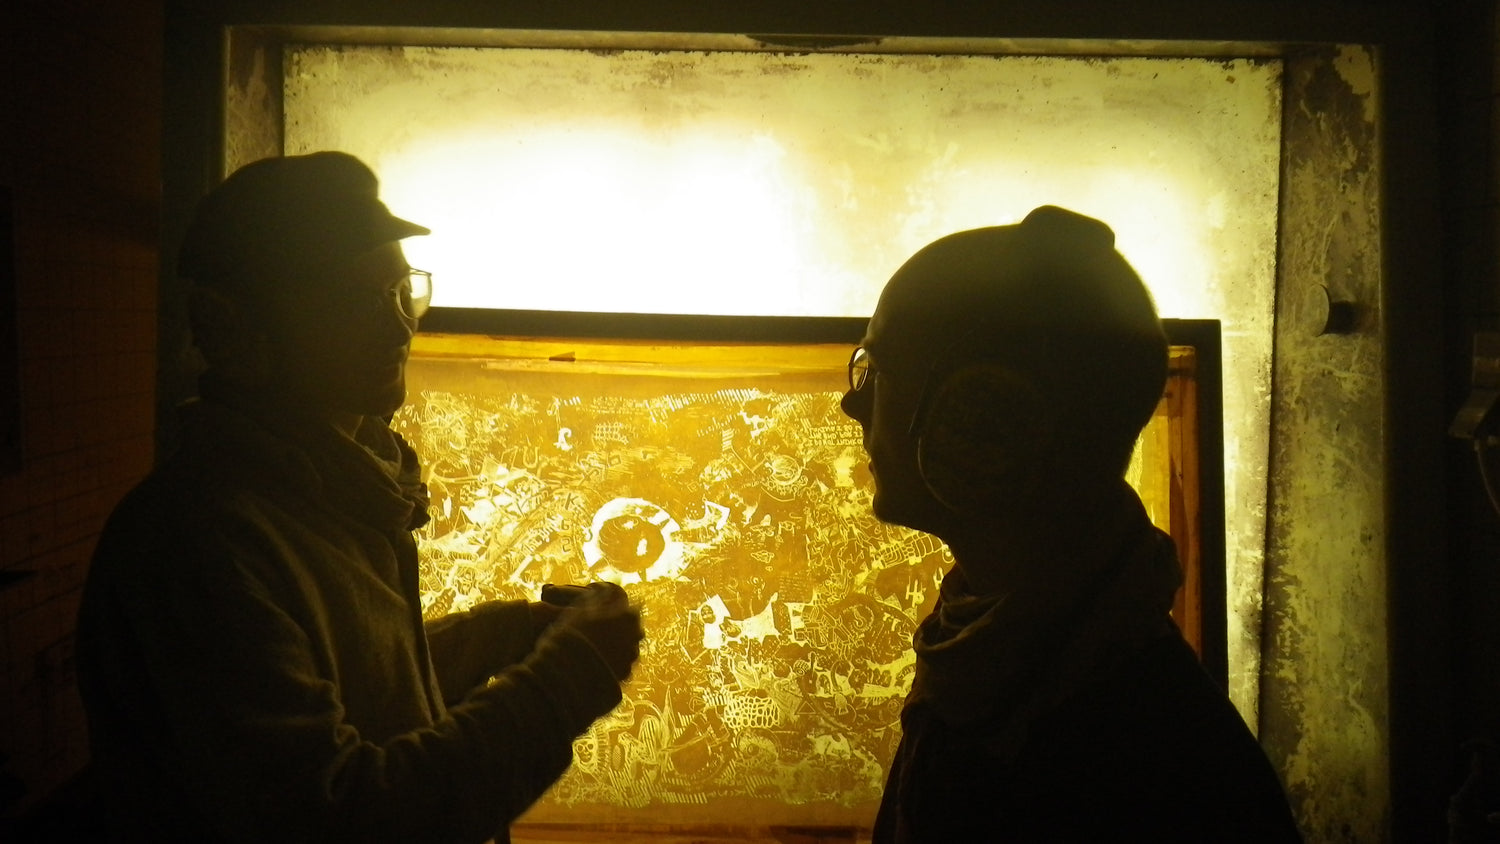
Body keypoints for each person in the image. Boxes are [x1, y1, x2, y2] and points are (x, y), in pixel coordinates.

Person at [75, 151, 643, 843]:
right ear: (235, 329)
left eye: (401, 291)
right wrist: (570, 678)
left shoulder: (332, 494)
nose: (398, 328)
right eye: (351, 300)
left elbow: (358, 690)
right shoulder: (202, 543)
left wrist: (511, 636)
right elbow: (341, 816)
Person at [841, 206, 1302, 841]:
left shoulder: (1141, 754)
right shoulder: (1014, 667)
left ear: (983, 412)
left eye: (879, 370)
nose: (852, 403)